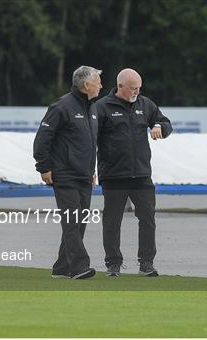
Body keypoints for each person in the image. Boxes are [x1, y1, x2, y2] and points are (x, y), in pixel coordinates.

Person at [93, 68, 172, 277]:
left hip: (142, 175)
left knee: (148, 219)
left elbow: (166, 123)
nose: (136, 92)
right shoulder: (101, 107)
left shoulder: (145, 104)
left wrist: (158, 127)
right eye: (132, 89)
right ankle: (113, 263)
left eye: (139, 88)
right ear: (120, 87)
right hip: (113, 175)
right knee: (112, 221)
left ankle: (146, 263)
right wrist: (89, 169)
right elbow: (89, 139)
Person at [33, 66, 102, 279]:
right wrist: (43, 167)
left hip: (84, 174)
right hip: (65, 174)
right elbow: (42, 138)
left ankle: (62, 267)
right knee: (71, 221)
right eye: (98, 81)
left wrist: (91, 170)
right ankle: (80, 266)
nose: (101, 85)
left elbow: (88, 143)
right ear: (86, 85)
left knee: (79, 221)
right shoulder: (62, 106)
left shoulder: (92, 108)